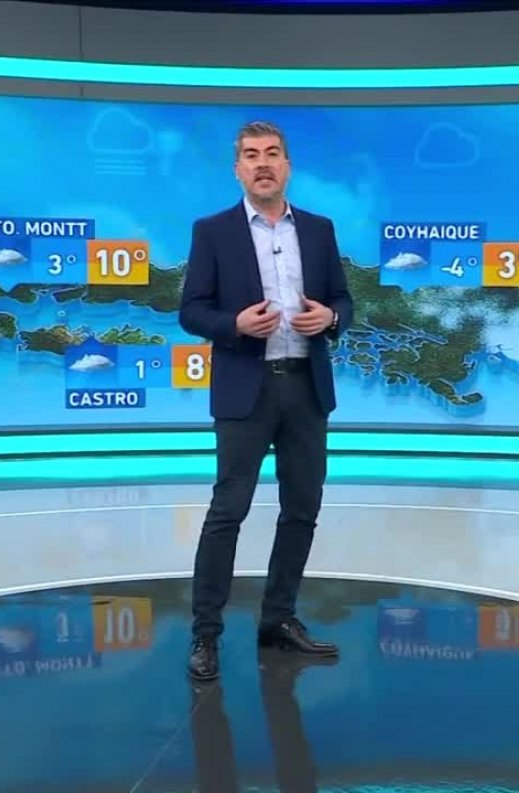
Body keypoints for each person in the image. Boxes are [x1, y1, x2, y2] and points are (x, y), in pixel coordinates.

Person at [179, 121, 353, 681]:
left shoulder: (320, 231)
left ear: (287, 166)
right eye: (251, 155)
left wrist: (331, 318)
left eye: (272, 153)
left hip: (306, 387)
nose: (263, 163)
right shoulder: (213, 232)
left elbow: (344, 300)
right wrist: (233, 324)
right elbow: (191, 310)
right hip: (245, 389)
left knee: (302, 508)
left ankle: (278, 619)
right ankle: (206, 634)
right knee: (228, 512)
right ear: (238, 169)